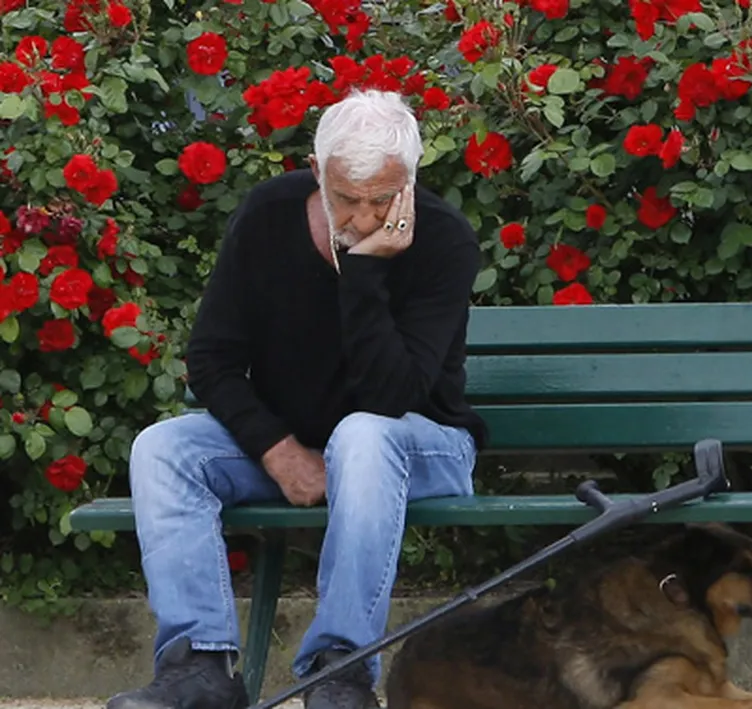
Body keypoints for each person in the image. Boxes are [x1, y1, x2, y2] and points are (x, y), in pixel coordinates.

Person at [107, 89, 489, 709]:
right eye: (346, 198)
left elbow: (392, 398)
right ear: (316, 170)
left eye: (383, 199)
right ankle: (198, 669)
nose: (364, 218)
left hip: (421, 446)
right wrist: (275, 449)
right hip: (300, 442)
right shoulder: (268, 215)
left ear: (412, 179)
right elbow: (211, 358)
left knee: (362, 435)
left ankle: (340, 672)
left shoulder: (444, 240)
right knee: (163, 448)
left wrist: (363, 269)